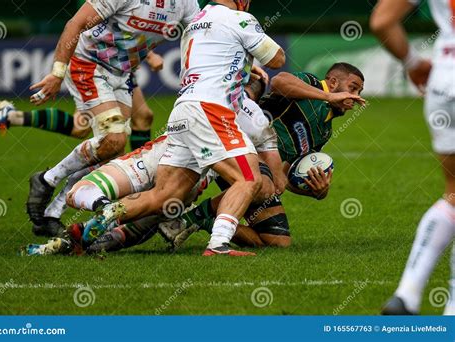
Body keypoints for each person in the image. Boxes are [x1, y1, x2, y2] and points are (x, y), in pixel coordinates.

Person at [74, 0, 286, 256]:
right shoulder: (239, 19)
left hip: (183, 109)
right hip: (211, 109)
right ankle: (218, 245)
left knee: (164, 196)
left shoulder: (196, 21)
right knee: (248, 178)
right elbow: (276, 59)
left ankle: (110, 212)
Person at [22, 0, 201, 236]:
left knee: (109, 150)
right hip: (89, 65)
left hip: (122, 74)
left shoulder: (186, 4)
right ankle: (48, 179)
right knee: (114, 139)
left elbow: (202, 38)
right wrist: (57, 73)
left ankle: (51, 214)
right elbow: (74, 24)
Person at [161, 62, 366, 250]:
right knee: (264, 185)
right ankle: (190, 218)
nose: (356, 97)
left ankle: (205, 220)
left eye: (359, 91)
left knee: (277, 241)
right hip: (238, 146)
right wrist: (328, 96)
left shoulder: (324, 132)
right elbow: (279, 82)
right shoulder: (313, 84)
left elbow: (283, 179)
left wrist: (316, 190)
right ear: (333, 82)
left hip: (266, 170)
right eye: (353, 88)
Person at [370, 0, 455, 315]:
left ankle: (407, 293)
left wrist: (412, 62)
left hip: (444, 84)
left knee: (454, 193)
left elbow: (381, 22)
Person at [0, 51, 164, 151]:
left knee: (142, 117)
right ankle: (136, 178)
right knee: (87, 129)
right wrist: (149, 55)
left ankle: (10, 116)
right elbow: (115, 26)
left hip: (117, 64)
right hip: (99, 63)